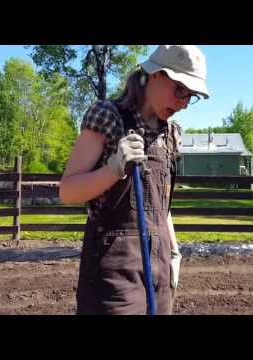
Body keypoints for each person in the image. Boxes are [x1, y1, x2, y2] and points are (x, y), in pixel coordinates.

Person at [59, 45, 209, 315]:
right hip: (113, 274)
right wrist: (113, 169)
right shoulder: (107, 116)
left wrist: (174, 251)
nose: (185, 102)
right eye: (181, 89)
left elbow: (161, 205)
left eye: (191, 96)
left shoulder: (171, 133)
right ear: (155, 75)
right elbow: (67, 191)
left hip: (160, 269)